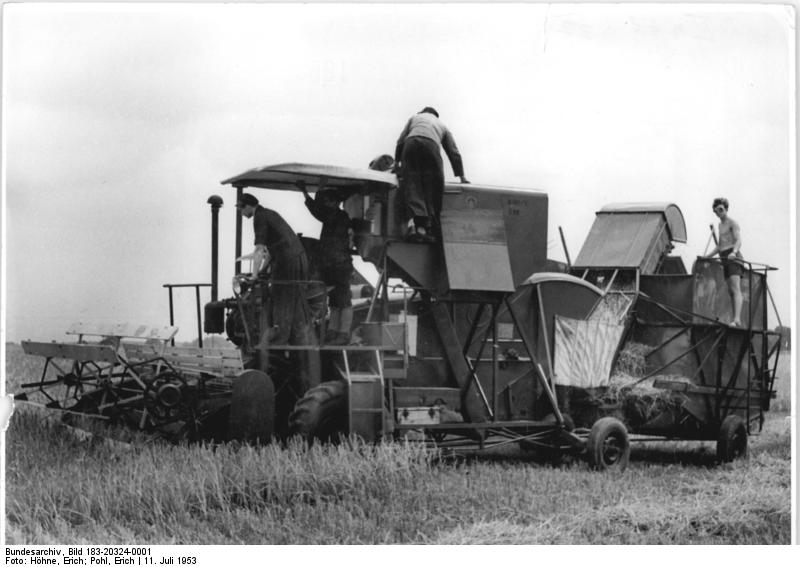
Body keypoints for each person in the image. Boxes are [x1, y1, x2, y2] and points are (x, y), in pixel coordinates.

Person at [395, 107, 469, 242]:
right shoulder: (442, 126)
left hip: (410, 144)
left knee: (413, 185)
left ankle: (418, 228)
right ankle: (431, 228)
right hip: (431, 146)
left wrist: (397, 164)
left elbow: (400, 141)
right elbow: (453, 151)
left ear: (422, 113)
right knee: (434, 186)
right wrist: (462, 176)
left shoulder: (414, 118)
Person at [300, 183, 354, 345]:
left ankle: (343, 333)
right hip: (332, 264)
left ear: (335, 202)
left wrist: (305, 193)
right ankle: (334, 331)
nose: (326, 204)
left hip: (339, 264)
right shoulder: (335, 216)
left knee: (343, 299)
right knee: (335, 299)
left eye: (328, 201)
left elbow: (317, 211)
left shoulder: (338, 216)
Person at [704, 197, 744, 327]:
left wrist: (734, 252)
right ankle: (735, 319)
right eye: (716, 211)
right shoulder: (720, 225)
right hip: (724, 257)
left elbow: (738, 240)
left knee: (735, 288)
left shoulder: (733, 223)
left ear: (726, 209)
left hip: (734, 257)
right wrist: (707, 256)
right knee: (730, 291)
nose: (718, 212)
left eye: (721, 209)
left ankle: (737, 319)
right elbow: (720, 246)